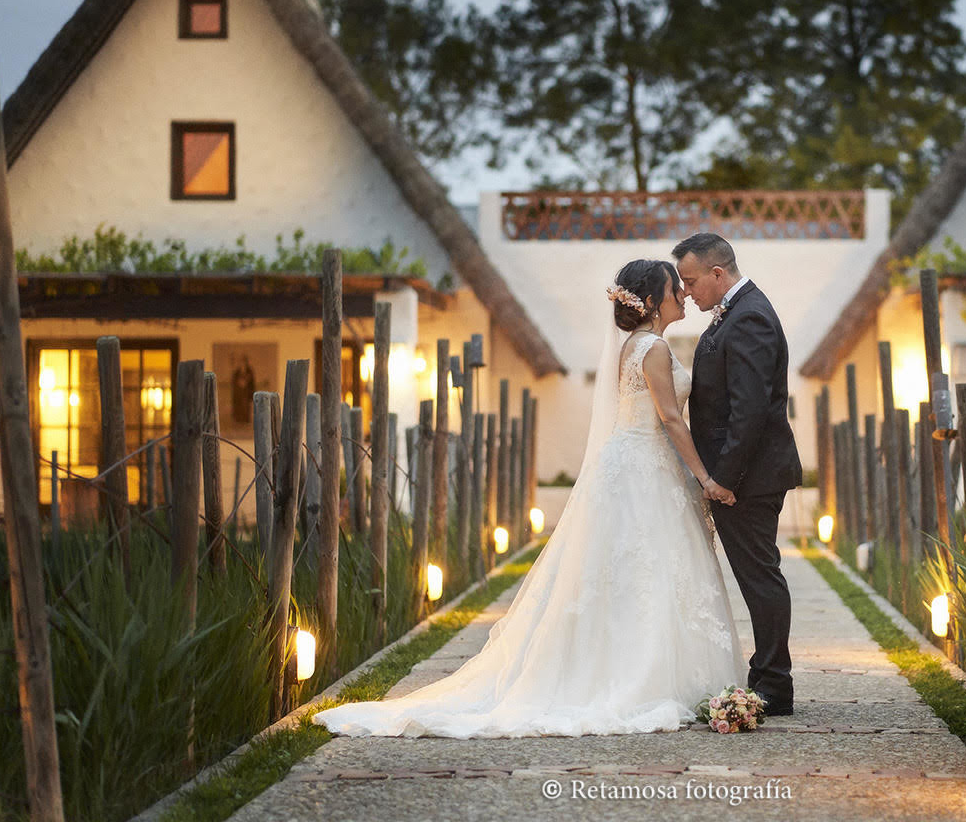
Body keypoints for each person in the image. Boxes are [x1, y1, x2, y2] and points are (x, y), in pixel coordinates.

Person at [313, 259, 744, 738]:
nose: (683, 295)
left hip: (629, 465)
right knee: (648, 571)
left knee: (624, 573)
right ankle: (640, 676)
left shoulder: (630, 347)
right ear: (650, 303)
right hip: (645, 466)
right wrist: (705, 477)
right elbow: (669, 418)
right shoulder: (655, 348)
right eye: (674, 289)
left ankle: (622, 667)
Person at [672, 233, 801, 716]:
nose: (687, 292)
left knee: (760, 578)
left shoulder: (748, 317)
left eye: (690, 281)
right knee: (758, 575)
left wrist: (724, 478)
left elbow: (748, 412)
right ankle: (769, 677)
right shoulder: (737, 310)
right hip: (746, 475)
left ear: (717, 274)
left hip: (750, 478)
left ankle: (773, 684)